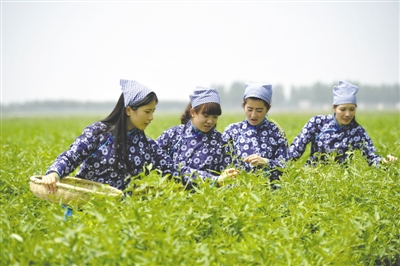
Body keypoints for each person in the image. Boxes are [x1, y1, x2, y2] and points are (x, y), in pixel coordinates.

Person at [288, 80, 398, 166]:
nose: (347, 114)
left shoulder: (357, 132)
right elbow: (295, 151)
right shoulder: (317, 123)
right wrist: (277, 163)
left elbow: (372, 157)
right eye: (343, 109)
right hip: (313, 177)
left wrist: (385, 161)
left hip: (340, 181)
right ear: (334, 108)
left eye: (352, 109)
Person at [156, 86, 238, 187]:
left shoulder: (221, 143)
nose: (210, 121)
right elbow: (154, 162)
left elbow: (229, 180)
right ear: (193, 112)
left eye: (215, 117)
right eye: (206, 116)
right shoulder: (173, 135)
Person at [221, 83, 288, 184]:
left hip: (269, 189)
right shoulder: (232, 130)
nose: (253, 115)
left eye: (259, 110)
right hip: (238, 189)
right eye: (249, 109)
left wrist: (266, 162)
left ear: (268, 109)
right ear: (243, 106)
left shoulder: (277, 132)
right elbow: (221, 162)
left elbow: (285, 165)